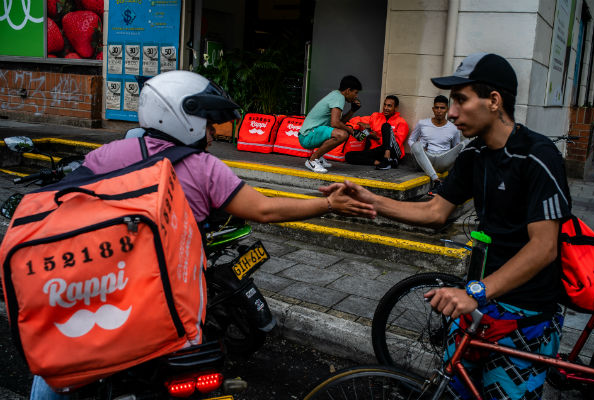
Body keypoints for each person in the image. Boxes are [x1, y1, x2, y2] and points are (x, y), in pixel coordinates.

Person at [29, 70, 376, 399]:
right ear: (184, 118)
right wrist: (328, 204)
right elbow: (266, 209)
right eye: (209, 125)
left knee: (51, 369)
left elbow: (63, 204)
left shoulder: (110, 154)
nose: (212, 134)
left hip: (106, 300)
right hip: (172, 312)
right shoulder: (205, 168)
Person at [321, 53, 570, 400]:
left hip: (525, 313)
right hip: (476, 301)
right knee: (454, 391)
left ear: (494, 101)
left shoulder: (537, 155)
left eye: (461, 100)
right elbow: (436, 211)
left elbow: (544, 247)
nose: (451, 113)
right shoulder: (474, 155)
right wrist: (370, 200)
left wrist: (476, 292)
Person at [299, 75, 363, 173]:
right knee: (342, 134)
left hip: (310, 134)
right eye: (355, 93)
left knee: (341, 132)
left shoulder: (336, 95)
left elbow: (339, 122)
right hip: (307, 136)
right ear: (348, 90)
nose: (356, 96)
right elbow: (335, 123)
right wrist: (352, 131)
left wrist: (352, 110)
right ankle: (312, 160)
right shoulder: (339, 97)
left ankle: (318, 157)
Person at [408, 95, 463, 189]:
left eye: (442, 108)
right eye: (436, 107)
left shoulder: (454, 128)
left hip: (442, 161)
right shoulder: (422, 123)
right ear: (433, 109)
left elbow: (454, 148)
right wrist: (421, 148)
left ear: (447, 109)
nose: (439, 110)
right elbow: (411, 140)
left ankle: (459, 177)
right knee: (416, 145)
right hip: (425, 159)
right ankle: (436, 180)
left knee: (463, 144)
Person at [344, 95, 410, 170]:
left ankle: (387, 158)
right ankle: (381, 163)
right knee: (349, 156)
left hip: (393, 151)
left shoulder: (401, 122)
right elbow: (360, 125)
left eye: (389, 106)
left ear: (396, 108)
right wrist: (364, 131)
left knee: (386, 126)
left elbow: (397, 143)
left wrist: (377, 138)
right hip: (377, 150)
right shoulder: (376, 116)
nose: (385, 108)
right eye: (384, 105)